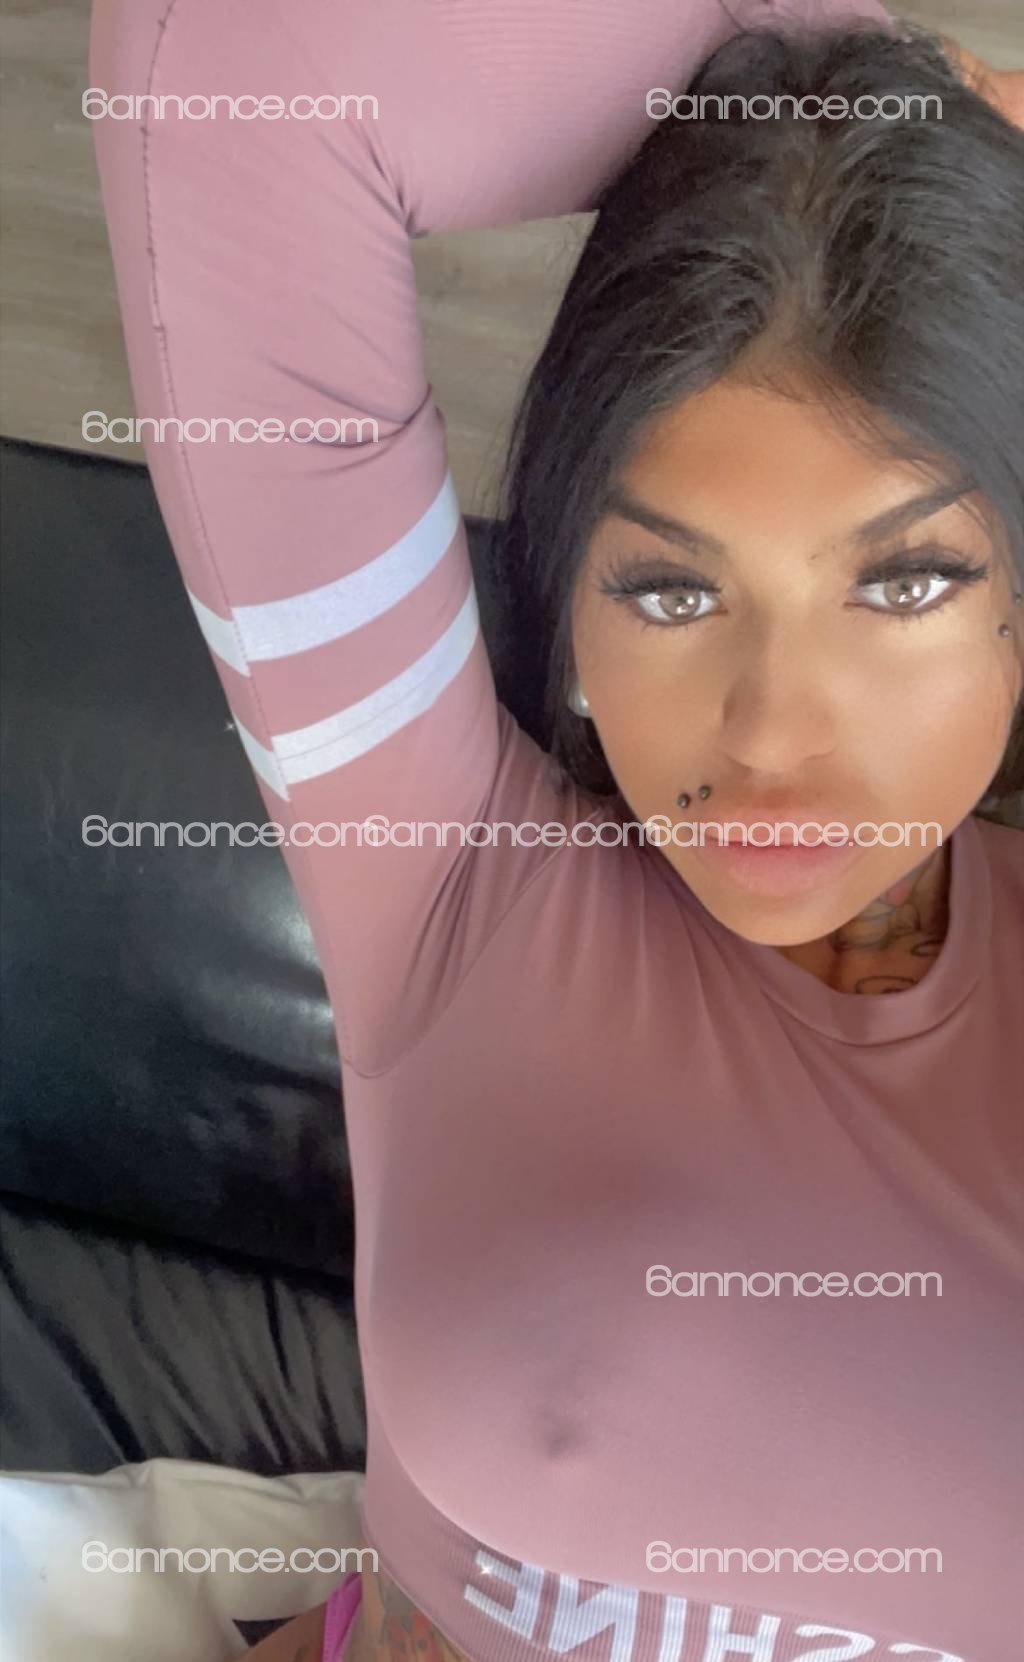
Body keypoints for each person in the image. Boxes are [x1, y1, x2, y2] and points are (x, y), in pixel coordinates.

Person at [88, 2, 1024, 1659]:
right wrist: (858, 65)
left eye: (903, 582)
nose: (771, 734)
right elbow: (233, 70)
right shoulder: (451, 884)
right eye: (668, 588)